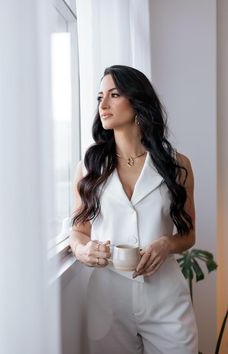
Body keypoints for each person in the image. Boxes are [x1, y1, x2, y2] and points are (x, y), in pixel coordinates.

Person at [69, 65, 198, 354]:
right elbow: (78, 231)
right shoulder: (89, 168)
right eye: (100, 96)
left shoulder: (177, 166)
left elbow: (189, 235)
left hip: (165, 298)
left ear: (138, 101)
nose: (103, 105)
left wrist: (167, 243)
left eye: (114, 95)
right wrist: (82, 250)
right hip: (107, 300)